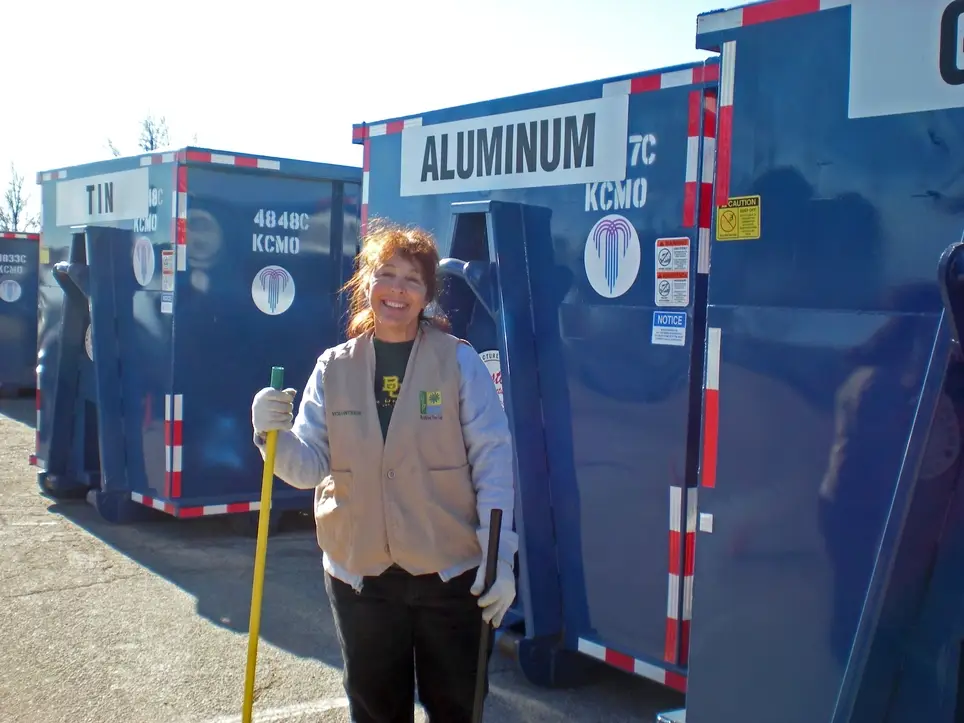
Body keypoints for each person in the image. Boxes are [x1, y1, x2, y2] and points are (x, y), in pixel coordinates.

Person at [249, 218, 518, 723]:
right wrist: (272, 436)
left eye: (412, 279)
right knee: (375, 712)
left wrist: (500, 558)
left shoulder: (459, 364)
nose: (397, 289)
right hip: (361, 579)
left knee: (457, 708)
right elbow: (307, 467)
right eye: (386, 274)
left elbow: (494, 461)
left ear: (427, 295)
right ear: (366, 284)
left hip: (452, 575)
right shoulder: (333, 368)